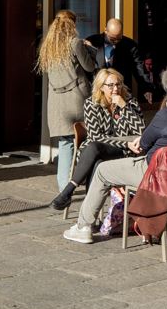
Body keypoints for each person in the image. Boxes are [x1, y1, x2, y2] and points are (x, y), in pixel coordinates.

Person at [62, 65, 167, 244]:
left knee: (103, 170)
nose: (115, 89)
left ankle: (83, 227)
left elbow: (144, 142)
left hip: (158, 175)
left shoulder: (166, 115)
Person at [50, 68, 145, 211]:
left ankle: (70, 194)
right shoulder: (91, 104)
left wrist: (124, 107)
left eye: (118, 84)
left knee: (96, 154)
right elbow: (96, 137)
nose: (115, 89)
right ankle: (87, 215)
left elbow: (141, 131)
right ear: (101, 87)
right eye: (111, 85)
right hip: (98, 149)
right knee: (96, 155)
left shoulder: (130, 102)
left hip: (123, 152)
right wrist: (125, 142)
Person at [37, 10, 96, 191]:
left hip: (57, 102)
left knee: (66, 142)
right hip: (77, 98)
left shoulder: (47, 46)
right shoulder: (75, 43)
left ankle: (64, 187)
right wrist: (90, 48)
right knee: (89, 138)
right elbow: (89, 66)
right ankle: (88, 178)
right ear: (72, 25)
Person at [85, 19, 146, 102]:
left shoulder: (130, 45)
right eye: (113, 39)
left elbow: (139, 68)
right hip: (97, 91)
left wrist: (146, 88)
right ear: (105, 30)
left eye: (119, 38)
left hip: (120, 91)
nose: (116, 42)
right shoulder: (92, 42)